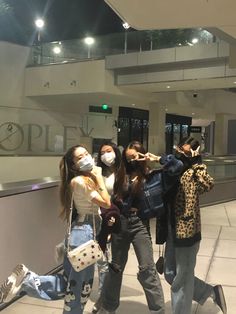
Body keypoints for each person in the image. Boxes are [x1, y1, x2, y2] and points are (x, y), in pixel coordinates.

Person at [0, 144, 112, 314]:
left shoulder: (83, 180)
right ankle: (27, 281)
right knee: (78, 289)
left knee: (71, 284)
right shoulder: (80, 181)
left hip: (84, 233)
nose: (86, 157)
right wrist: (99, 177)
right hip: (85, 235)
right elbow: (106, 203)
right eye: (80, 157)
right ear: (74, 165)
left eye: (87, 153)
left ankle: (27, 280)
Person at [97, 140, 183, 314]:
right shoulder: (121, 175)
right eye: (129, 158)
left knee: (147, 268)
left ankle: (158, 310)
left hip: (139, 224)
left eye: (136, 156)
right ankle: (108, 307)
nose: (132, 161)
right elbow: (113, 200)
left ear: (143, 155)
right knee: (115, 267)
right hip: (120, 223)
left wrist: (158, 158)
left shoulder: (154, 176)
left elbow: (177, 166)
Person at [163, 136, 227, 314]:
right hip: (171, 228)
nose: (182, 154)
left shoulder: (194, 171)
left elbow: (208, 184)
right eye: (180, 150)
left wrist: (195, 162)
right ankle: (209, 291)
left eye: (186, 152)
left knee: (181, 279)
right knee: (170, 274)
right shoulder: (173, 168)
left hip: (187, 230)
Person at [92, 141, 121, 313]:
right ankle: (102, 302)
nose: (105, 155)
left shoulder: (122, 171)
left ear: (116, 152)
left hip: (116, 220)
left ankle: (105, 301)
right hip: (101, 219)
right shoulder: (97, 172)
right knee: (102, 263)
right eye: (102, 152)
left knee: (111, 263)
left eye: (109, 151)